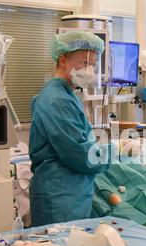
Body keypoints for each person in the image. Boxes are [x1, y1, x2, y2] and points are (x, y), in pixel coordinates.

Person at [29, 30, 112, 227]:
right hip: (60, 196)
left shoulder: (68, 95)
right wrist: (116, 152)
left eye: (92, 64)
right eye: (84, 63)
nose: (89, 69)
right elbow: (78, 153)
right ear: (64, 59)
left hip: (71, 192)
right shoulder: (57, 99)